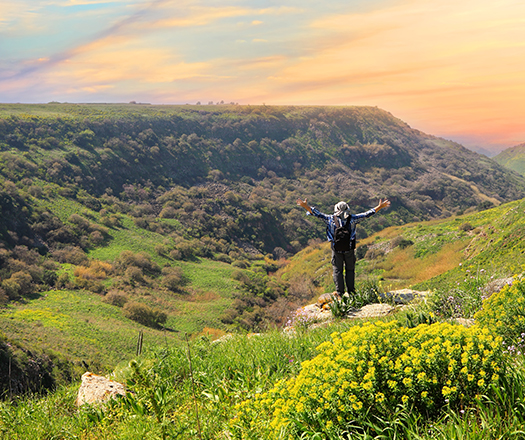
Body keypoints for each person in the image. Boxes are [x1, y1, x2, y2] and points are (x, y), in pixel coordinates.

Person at [296, 197, 391, 295]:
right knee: (350, 270)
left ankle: (340, 293)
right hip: (349, 249)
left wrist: (305, 206)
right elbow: (367, 214)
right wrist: (380, 206)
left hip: (336, 249)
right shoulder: (353, 219)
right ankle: (351, 292)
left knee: (337, 271)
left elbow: (317, 213)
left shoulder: (330, 219)